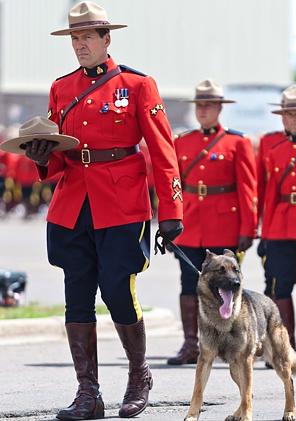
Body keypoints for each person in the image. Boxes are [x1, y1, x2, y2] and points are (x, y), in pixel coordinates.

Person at [22, 2, 183, 419]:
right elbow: (58, 161)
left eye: (87, 37)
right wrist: (41, 157)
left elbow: (163, 151)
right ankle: (88, 394)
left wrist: (172, 209)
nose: (79, 45)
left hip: (122, 202)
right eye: (74, 38)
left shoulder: (137, 84)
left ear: (106, 38)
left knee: (116, 289)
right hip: (73, 203)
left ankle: (138, 375)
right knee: (76, 295)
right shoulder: (62, 88)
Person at [167, 79, 257, 365]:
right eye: (199, 106)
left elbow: (247, 188)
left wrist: (248, 228)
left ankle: (229, 343)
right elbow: (174, 185)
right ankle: (191, 344)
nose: (203, 111)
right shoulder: (182, 142)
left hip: (224, 224)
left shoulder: (237, 142)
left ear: (219, 108)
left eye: (209, 105)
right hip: (190, 226)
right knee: (187, 284)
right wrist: (170, 222)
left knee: (227, 286)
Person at [262, 84, 296, 355]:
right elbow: (271, 195)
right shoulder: (275, 150)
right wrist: (266, 234)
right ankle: (287, 345)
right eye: (288, 114)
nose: (292, 118)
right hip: (281, 229)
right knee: (279, 285)